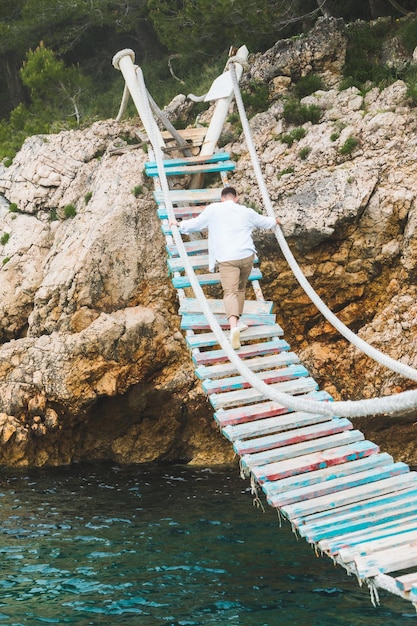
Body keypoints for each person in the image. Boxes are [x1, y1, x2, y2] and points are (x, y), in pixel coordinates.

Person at [169, 187, 280, 350]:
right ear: (236, 198)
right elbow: (265, 222)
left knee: (230, 292)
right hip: (247, 255)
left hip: (228, 258)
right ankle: (239, 320)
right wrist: (275, 220)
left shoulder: (213, 209)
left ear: (222, 199)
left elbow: (196, 224)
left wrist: (178, 224)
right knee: (241, 288)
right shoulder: (245, 211)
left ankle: (233, 326)